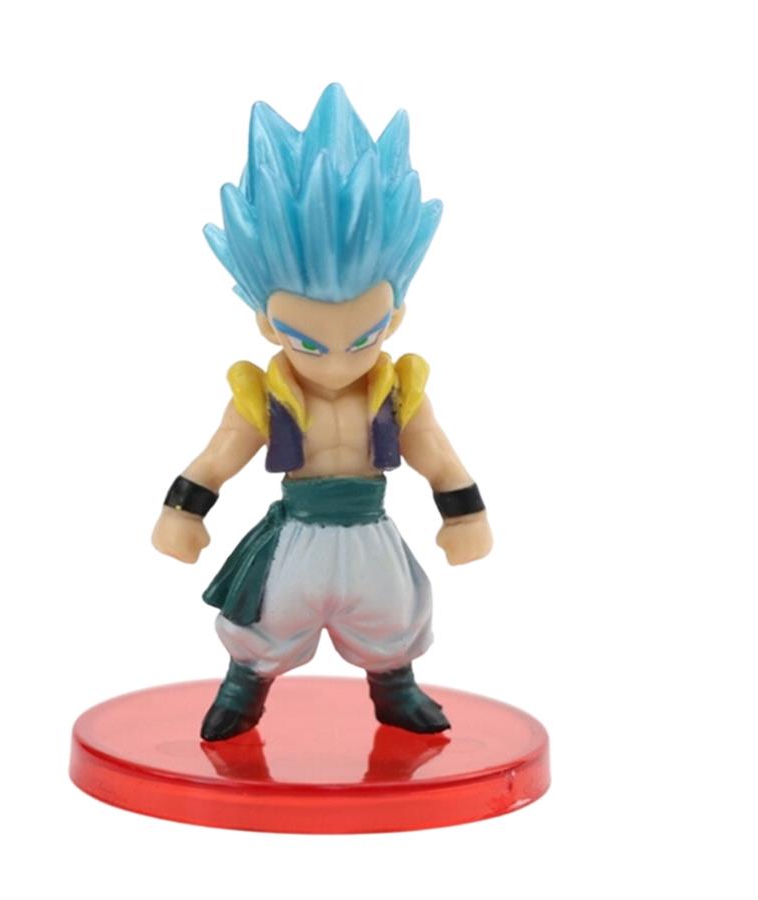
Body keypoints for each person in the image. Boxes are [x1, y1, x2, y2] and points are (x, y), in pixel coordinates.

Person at [152, 84, 492, 742]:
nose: (336, 361)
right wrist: (182, 512)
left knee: (392, 612)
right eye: (308, 341)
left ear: (394, 316)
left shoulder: (397, 389)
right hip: (299, 530)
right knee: (267, 618)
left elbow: (438, 456)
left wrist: (465, 514)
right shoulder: (264, 395)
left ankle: (395, 689)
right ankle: (243, 689)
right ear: (267, 323)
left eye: (361, 337)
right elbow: (218, 457)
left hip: (368, 526)